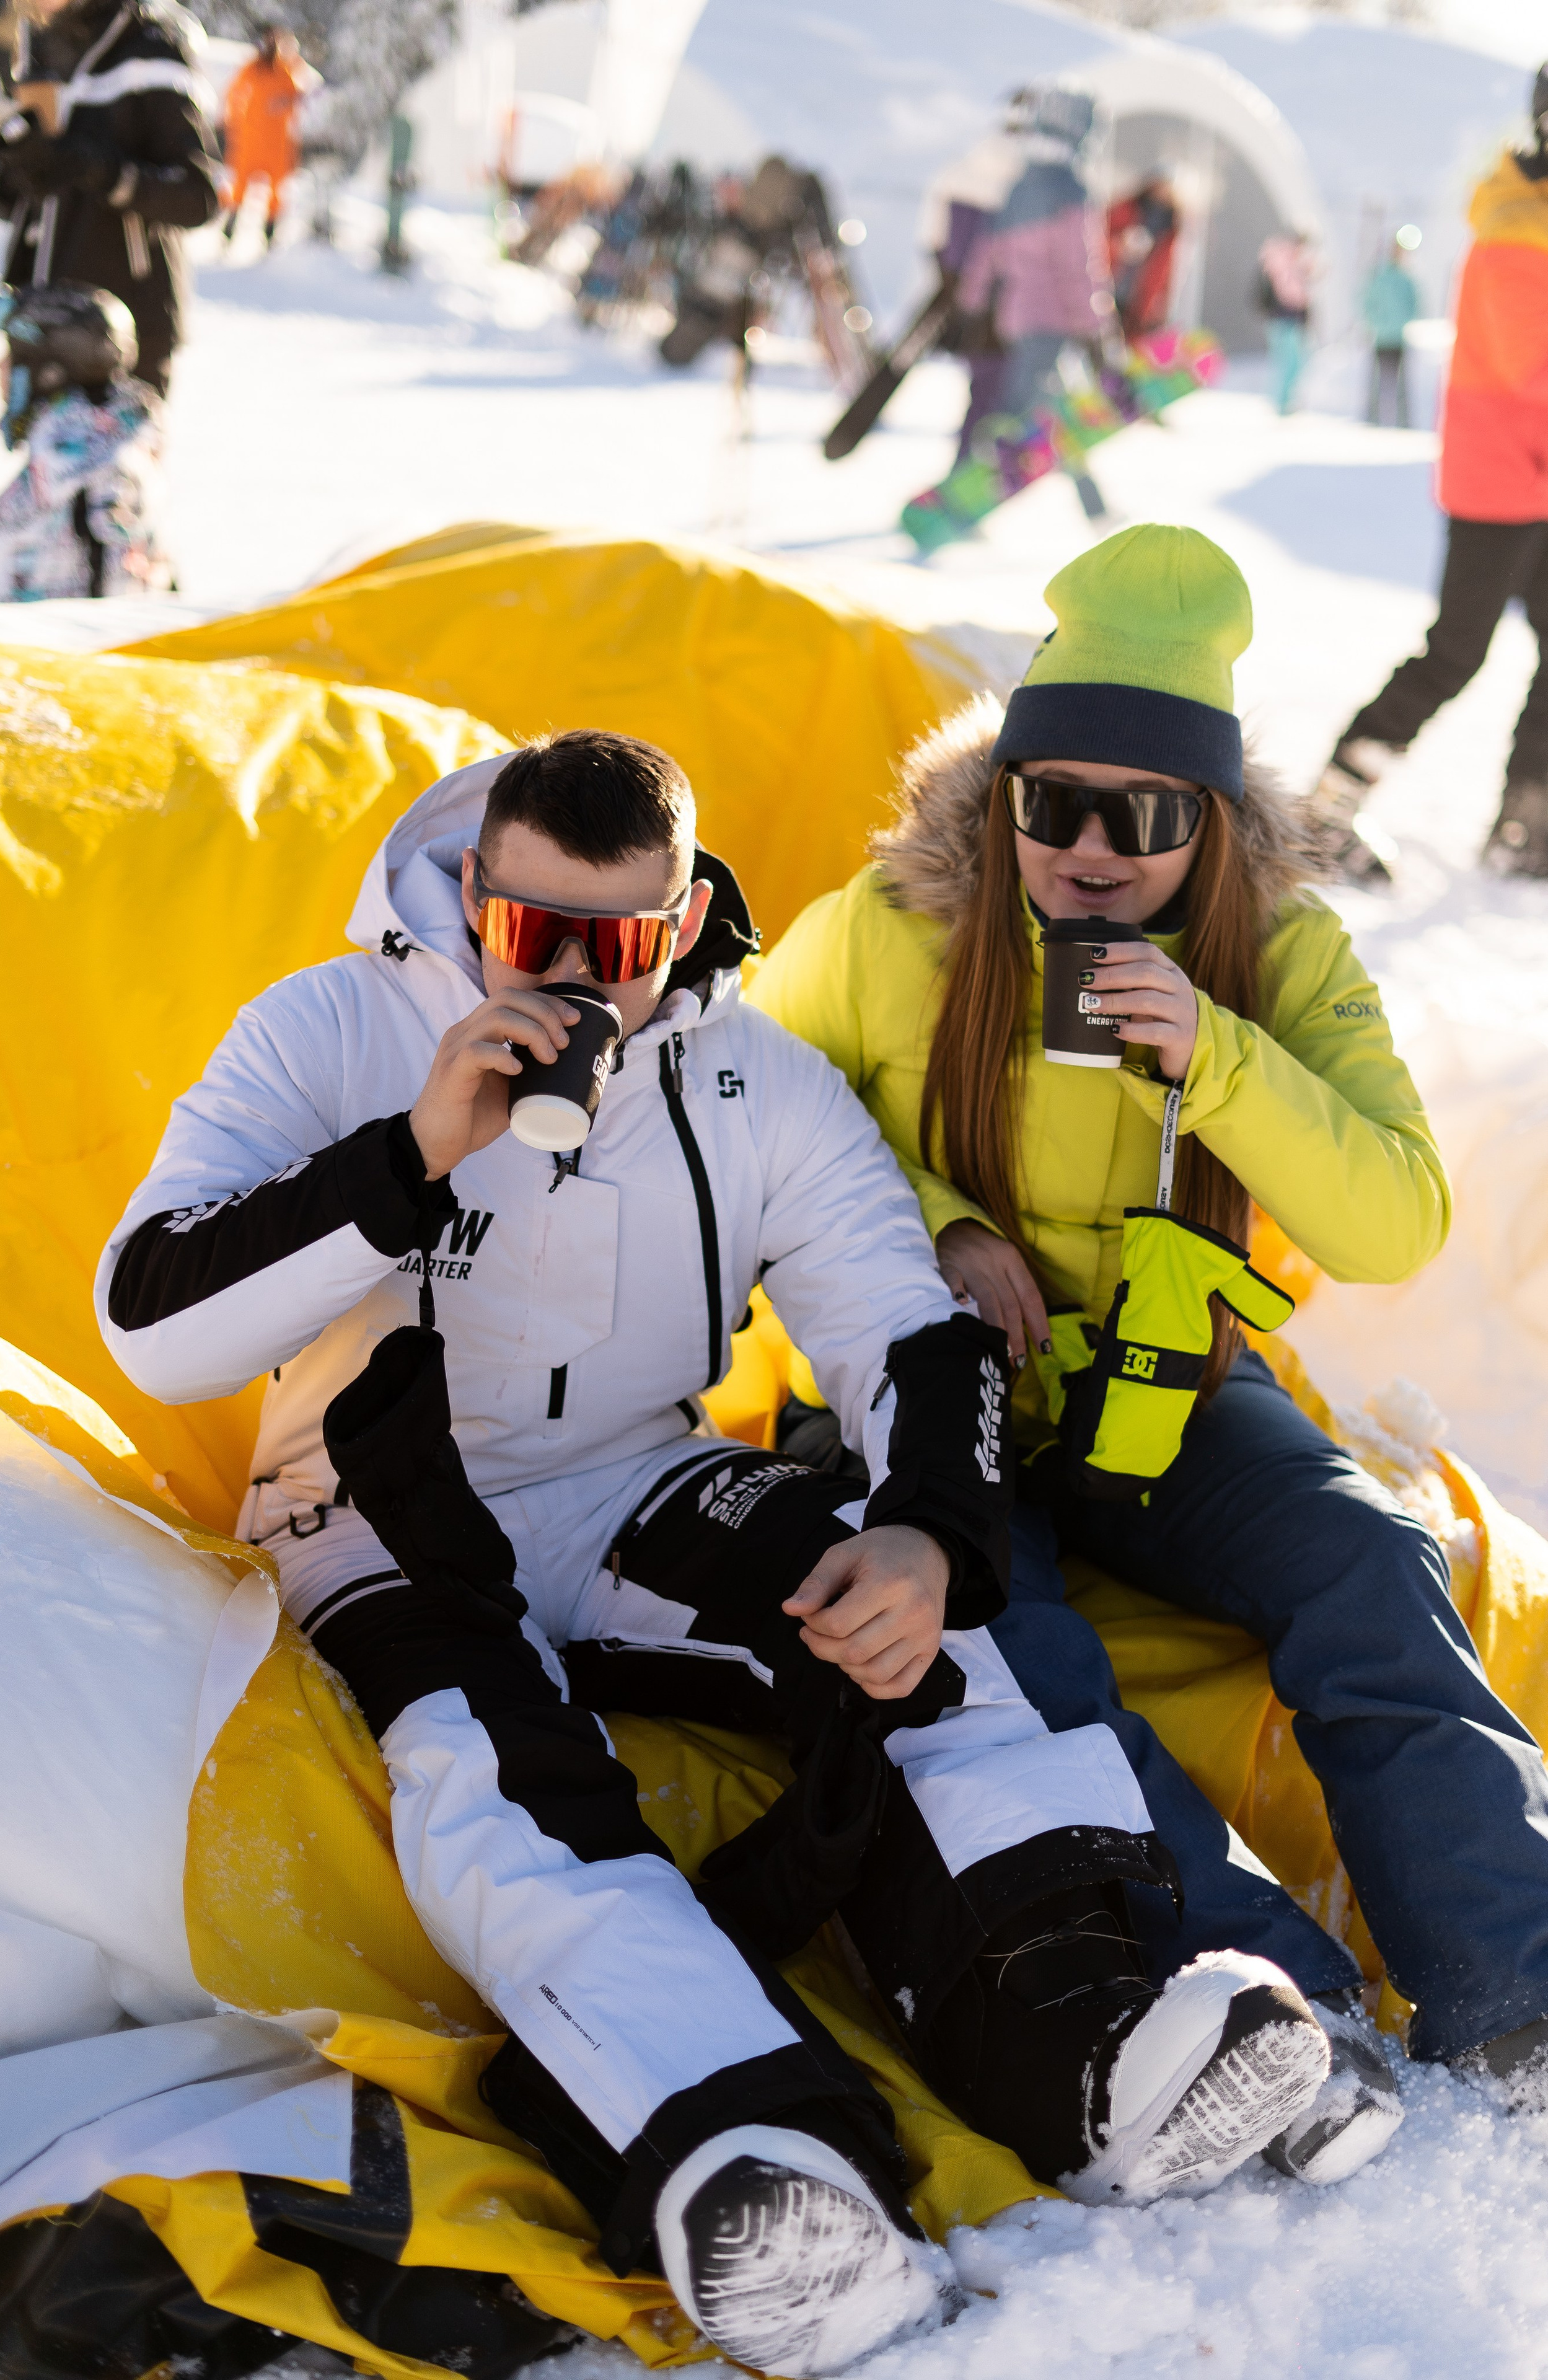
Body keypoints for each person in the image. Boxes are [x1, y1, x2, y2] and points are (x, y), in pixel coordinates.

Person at [97, 729, 1333, 2378]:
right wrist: (410, 1151)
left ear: (679, 927)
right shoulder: (327, 1027)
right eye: (523, 930)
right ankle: (737, 2153)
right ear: (467, 892)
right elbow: (151, 1319)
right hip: (378, 1498)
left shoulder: (753, 1077)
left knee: (929, 1638)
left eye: (611, 944)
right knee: (494, 1765)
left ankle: (1081, 2045)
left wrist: (927, 1536)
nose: (562, 978)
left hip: (631, 1476)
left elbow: (903, 1325)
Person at [753, 522, 1548, 2156]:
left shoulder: (1278, 951)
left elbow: (1395, 1222)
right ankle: (1279, 2007)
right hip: (937, 1397)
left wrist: (1225, 1056)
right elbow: (742, 1120)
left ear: (1215, 820)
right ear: (1004, 795)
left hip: (1164, 1391)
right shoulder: (888, 924)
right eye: (1055, 804)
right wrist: (935, 1226)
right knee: (1023, 1650)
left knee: (1369, 1562)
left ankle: (1511, 1991)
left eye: (1150, 815)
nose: (1092, 853)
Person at [1316, 66, 1548, 883]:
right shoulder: (1520, 229)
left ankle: (1528, 821)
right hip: (1501, 482)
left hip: (1535, 479)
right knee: (1455, 653)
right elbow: (1530, 369)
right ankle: (1328, 809)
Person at [0, 0, 219, 399]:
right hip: (40, 329)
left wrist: (99, 171)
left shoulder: (150, 50)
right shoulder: (34, 48)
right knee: (37, 445)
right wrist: (16, 164)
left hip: (124, 335)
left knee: (116, 446)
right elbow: (11, 203)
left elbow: (197, 198)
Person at [953, 85, 1109, 514]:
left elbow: (987, 250)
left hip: (1018, 316)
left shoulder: (1021, 186)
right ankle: (968, 483)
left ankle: (1093, 503)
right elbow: (1078, 266)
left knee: (1053, 409)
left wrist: (972, 299)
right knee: (1024, 409)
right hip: (1054, 321)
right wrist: (1096, 326)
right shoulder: (1070, 191)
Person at [0, 281, 166, 602]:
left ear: (46, 370)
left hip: (64, 632)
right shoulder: (68, 452)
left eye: (13, 356)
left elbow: (121, 595)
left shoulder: (93, 468)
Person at [221, 23, 318, 250]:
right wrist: (234, 122)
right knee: (240, 186)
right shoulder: (252, 68)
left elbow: (299, 96)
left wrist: (285, 103)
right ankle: (230, 227)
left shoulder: (286, 71)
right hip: (251, 138)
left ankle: (269, 231)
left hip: (275, 142)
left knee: (276, 189)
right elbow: (233, 94)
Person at [1107, 172, 1179, 340]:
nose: (1162, 193)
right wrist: (1120, 246)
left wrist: (1156, 305)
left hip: (1137, 296)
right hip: (1111, 281)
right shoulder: (1127, 207)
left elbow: (1165, 270)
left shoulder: (1172, 224)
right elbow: (1096, 238)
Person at [1361, 231, 1421, 429]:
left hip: (1398, 337)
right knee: (1377, 381)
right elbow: (1367, 302)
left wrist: (1404, 320)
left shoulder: (1405, 279)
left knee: (1401, 383)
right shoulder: (1380, 277)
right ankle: (1372, 419)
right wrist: (1375, 322)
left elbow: (1415, 304)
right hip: (1381, 336)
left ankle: (1403, 421)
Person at [1256, 229, 1315, 414]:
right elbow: (1291, 295)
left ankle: (1284, 401)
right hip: (1284, 319)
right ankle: (1281, 403)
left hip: (1287, 320)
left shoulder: (1287, 263)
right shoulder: (1284, 264)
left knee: (1292, 361)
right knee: (1290, 362)